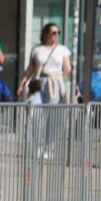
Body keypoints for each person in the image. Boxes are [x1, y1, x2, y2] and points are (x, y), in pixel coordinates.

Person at [18, 23, 72, 160]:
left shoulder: (62, 50)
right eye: (54, 32)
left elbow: (67, 70)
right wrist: (22, 83)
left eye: (58, 32)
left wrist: (71, 88)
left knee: (52, 118)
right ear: (46, 34)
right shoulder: (37, 49)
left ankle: (49, 148)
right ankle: (38, 145)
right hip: (38, 82)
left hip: (55, 84)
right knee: (34, 114)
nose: (56, 35)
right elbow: (30, 68)